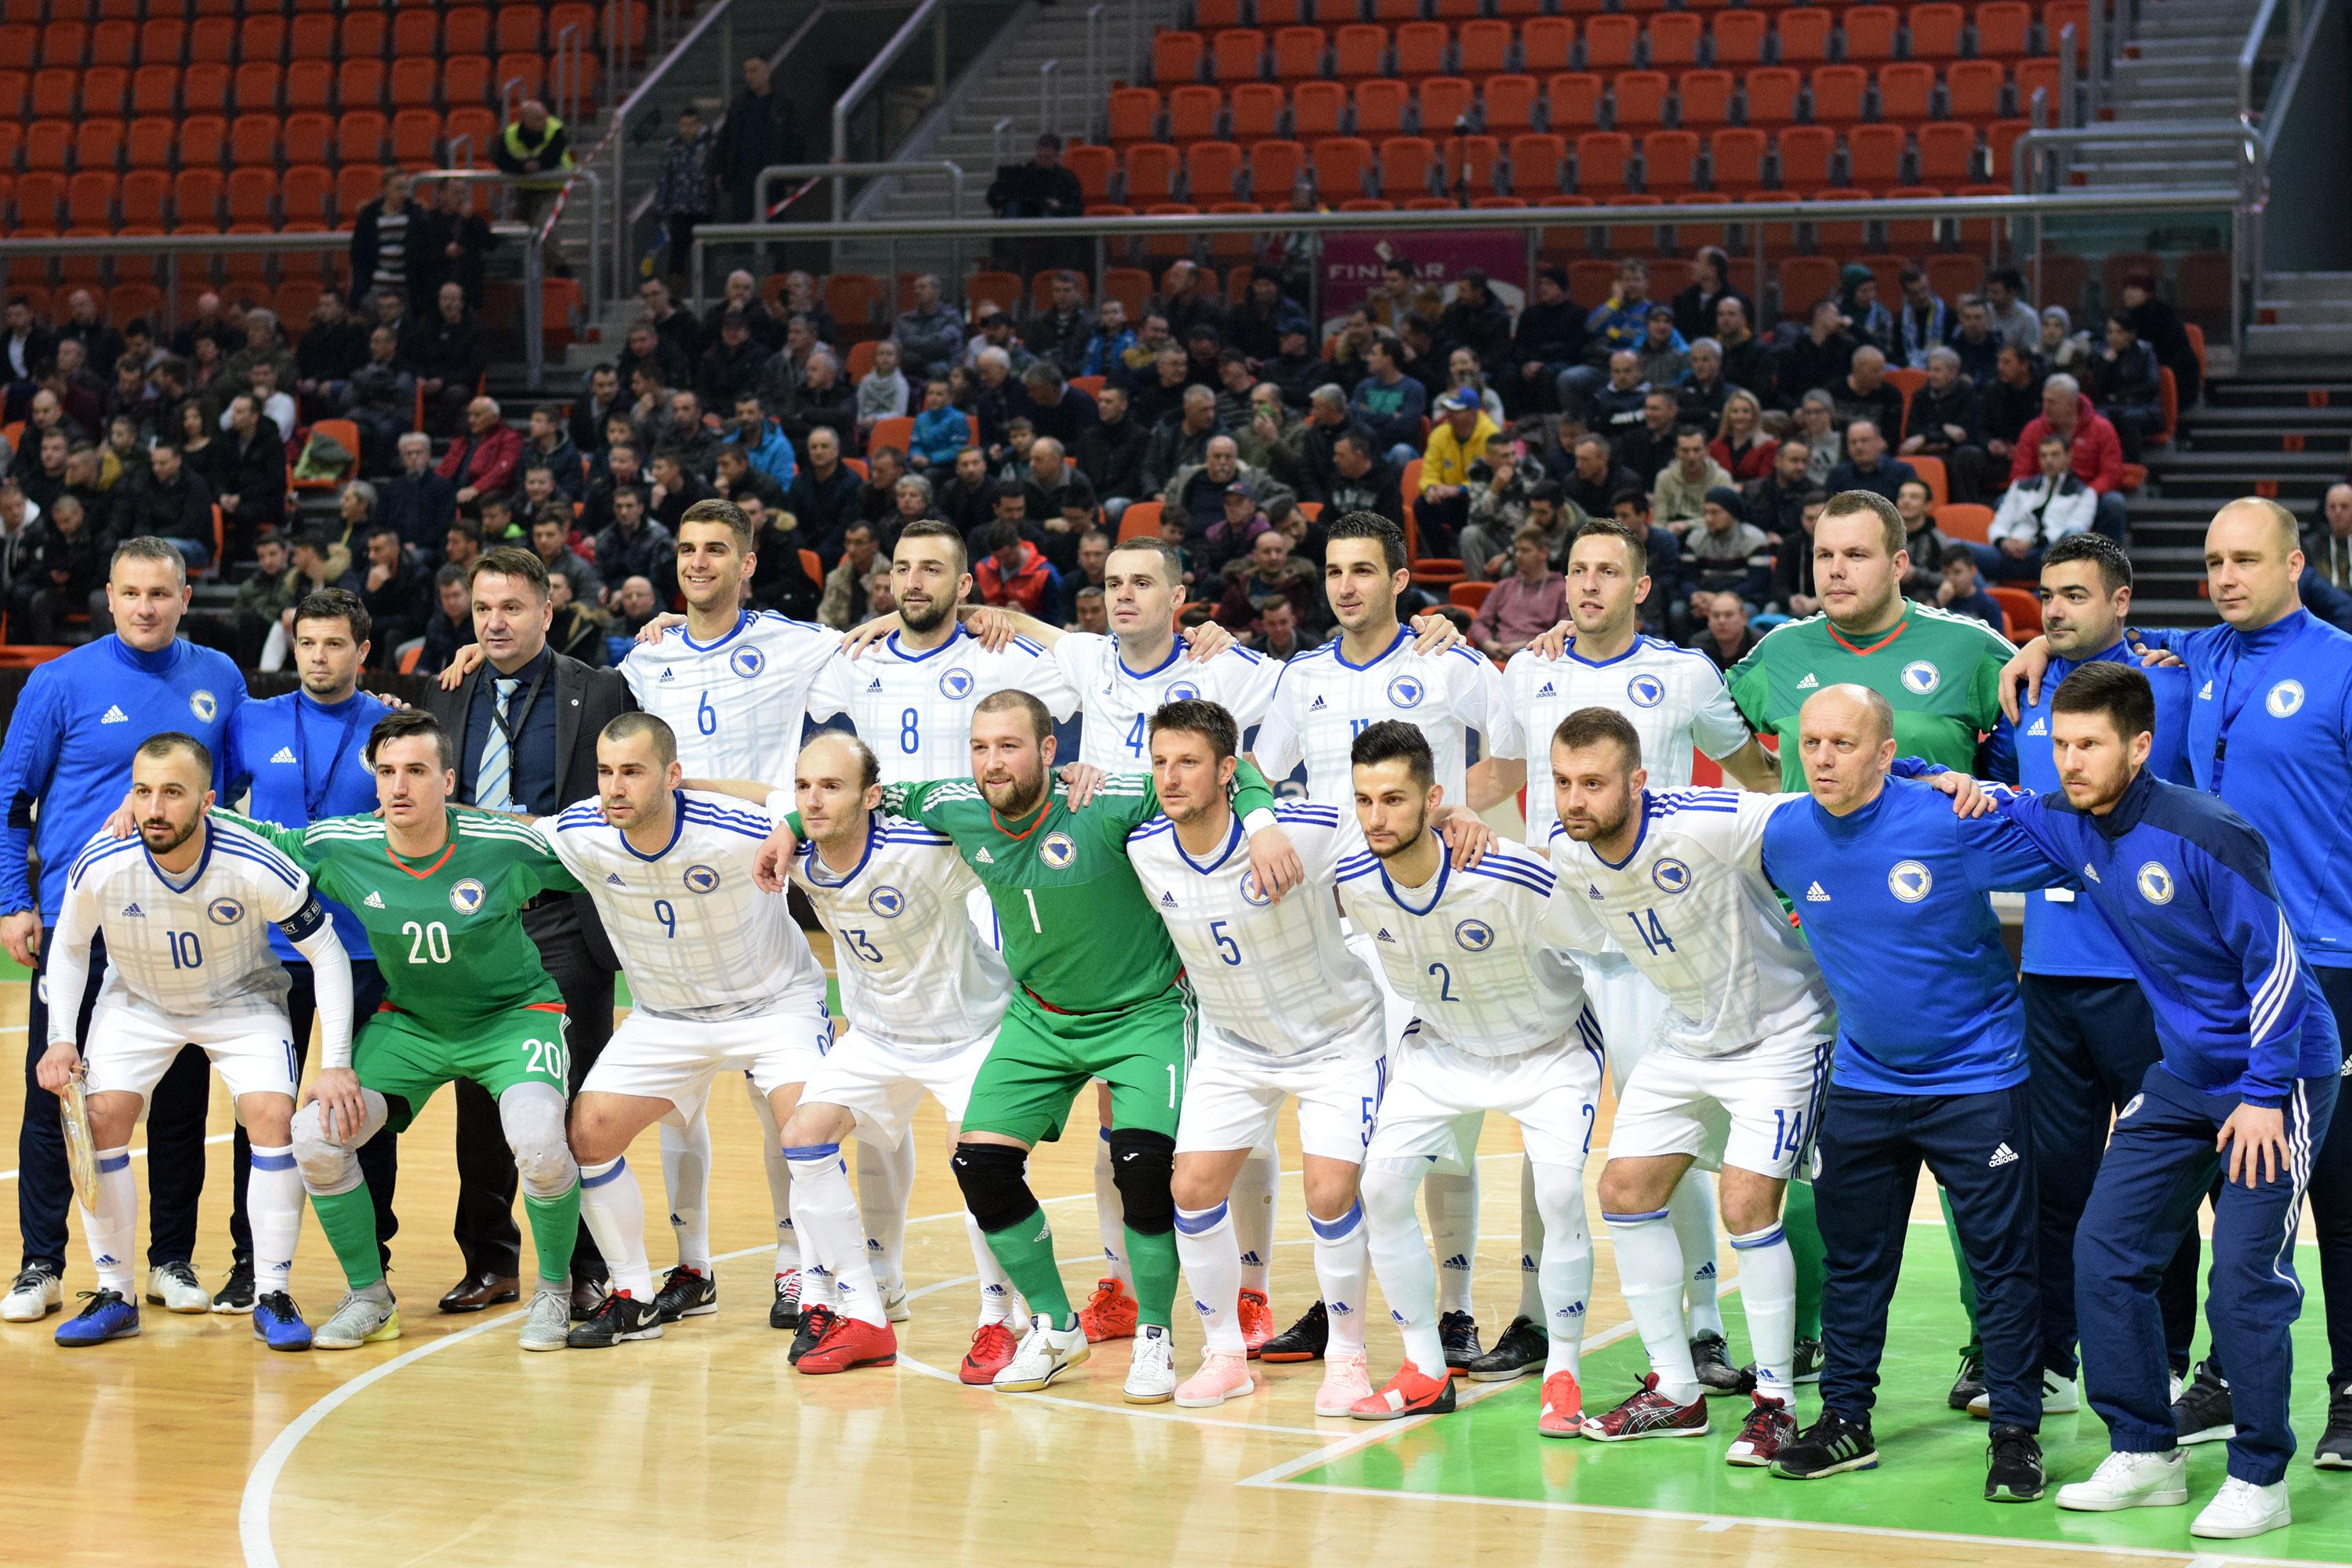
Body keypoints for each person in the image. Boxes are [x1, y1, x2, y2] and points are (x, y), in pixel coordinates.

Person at [750, 687, 1295, 1402]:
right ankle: (1053, 1323)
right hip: (1039, 1015)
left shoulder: (1103, 798)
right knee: (980, 1164)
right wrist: (790, 824)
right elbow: (861, 793)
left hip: (1145, 1015)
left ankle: (1157, 1336)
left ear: (1049, 752)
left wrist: (1261, 825)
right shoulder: (955, 805)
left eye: (1008, 746)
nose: (990, 763)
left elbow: (1229, 767)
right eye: (979, 748)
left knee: (1141, 1168)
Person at [1919, 663, 2336, 1540]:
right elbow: (2000, 803)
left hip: (2281, 1073)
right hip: (2184, 1077)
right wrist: (1940, 778)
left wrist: (2263, 1095)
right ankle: (2146, 1449)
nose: (2070, 762)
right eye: (2061, 744)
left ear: (2139, 746)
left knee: (2244, 1277)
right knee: (2104, 1249)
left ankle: (2262, 1472)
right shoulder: (2073, 822)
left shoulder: (2208, 831)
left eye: (2089, 745)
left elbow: (2280, 969)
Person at [2005, 497, 2352, 1462]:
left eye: (2246, 559)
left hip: (2329, 952)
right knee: (2224, 1179)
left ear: (2296, 564)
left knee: (2330, 1194)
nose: (2226, 576)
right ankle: (2222, 1378)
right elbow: (2106, 646)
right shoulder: (2187, 661)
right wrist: (2044, 653)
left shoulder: (2343, 660)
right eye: (2211, 562)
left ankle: (2349, 1390)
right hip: (2219, 952)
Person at [1724, 490, 2018, 1396]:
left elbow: (2032, 737)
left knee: (1978, 1165)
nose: (1837, 572)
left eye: (1857, 554)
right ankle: (1805, 1333)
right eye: (1824, 557)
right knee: (1807, 1148)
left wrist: (1982, 794)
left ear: (1900, 562)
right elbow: (1732, 744)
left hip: (1941, 942)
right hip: (1810, 937)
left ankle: (1992, 1348)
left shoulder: (1970, 647)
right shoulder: (1779, 654)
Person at [1755, 684, 2052, 1500]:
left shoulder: (1947, 821)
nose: (1822, 758)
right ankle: (1846, 1418)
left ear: (1886, 752)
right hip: (1864, 1081)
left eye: (1844, 743)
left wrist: (1978, 784)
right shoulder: (1783, 834)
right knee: (1857, 1262)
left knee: (2002, 1265)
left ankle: (2016, 1430)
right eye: (1811, 741)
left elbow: (2067, 834)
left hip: (1978, 1079)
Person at [492, 713, 829, 1353]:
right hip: (665, 1016)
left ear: (672, 777)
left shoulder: (734, 828)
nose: (614, 788)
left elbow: (800, 803)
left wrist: (785, 821)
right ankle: (635, 1293)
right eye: (606, 772)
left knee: (803, 1131)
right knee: (588, 1134)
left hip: (773, 1006)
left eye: (633, 772)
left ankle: (813, 1284)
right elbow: (514, 829)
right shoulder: (585, 830)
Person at [1962, 535, 2198, 1427]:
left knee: (2160, 1180)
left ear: (2122, 600)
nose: (2053, 610)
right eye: (2044, 596)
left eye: (2073, 595)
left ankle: (2169, 1360)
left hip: (2146, 978)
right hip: (2050, 973)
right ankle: (2054, 1361)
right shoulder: (2024, 688)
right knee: (2053, 1184)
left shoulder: (2168, 683)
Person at [1544, 709, 1822, 1458]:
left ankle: (1776, 1401)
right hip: (1688, 1035)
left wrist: (1939, 784)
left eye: (1595, 784)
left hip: (1782, 1031)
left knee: (1745, 1202)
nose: (1576, 800)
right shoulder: (1568, 856)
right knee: (1625, 1191)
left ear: (1639, 780)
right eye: (1565, 783)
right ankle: (1676, 1390)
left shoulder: (1707, 820)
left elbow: (1818, 808)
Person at [1109, 702, 1388, 1411]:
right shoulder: (1144, 847)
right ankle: (1226, 1354)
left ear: (1229, 771)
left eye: (1190, 762)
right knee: (1192, 1190)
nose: (1171, 778)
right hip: (1234, 1047)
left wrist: (1459, 822)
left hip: (1336, 1040)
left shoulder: (1306, 830)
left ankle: (1348, 1360)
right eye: (1161, 762)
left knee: (1329, 1196)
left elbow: (1397, 824)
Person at [37, 734, 353, 1352]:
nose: (155, 807)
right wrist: (58, 1039)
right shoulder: (104, 859)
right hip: (138, 1003)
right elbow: (71, 947)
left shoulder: (256, 861)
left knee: (273, 1117)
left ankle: (272, 1292)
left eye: (173, 793)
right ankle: (115, 1293)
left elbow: (328, 953)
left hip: (242, 1001)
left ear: (207, 801)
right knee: (100, 1118)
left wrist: (335, 1063)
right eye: (143, 791)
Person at [0, 538, 245, 1324]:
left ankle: (171, 1257)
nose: (146, 606)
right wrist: (15, 900)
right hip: (81, 923)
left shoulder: (220, 678)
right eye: (132, 593)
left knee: (177, 1095)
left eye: (161, 593)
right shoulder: (58, 681)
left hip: (184, 923)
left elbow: (239, 788)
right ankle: (41, 1263)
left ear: (185, 598)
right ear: (109, 597)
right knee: (57, 1091)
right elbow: (11, 799)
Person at [1334, 720, 1599, 1425]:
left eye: (1394, 799)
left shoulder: (1508, 873)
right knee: (1382, 1191)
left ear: (1435, 800)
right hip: (1446, 1048)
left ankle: (1564, 1372)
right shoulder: (1356, 882)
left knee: (1561, 1192)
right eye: (1363, 801)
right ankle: (1425, 1367)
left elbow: (1597, 942)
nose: (1376, 817)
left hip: (1548, 1049)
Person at [421, 549, 633, 1319]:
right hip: (478, 922)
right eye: (483, 608)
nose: (496, 621)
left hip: (564, 915)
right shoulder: (448, 692)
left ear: (549, 609)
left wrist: (544, 827)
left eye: (512, 606)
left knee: (570, 1095)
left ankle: (583, 1263)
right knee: (477, 1097)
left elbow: (628, 787)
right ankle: (490, 1257)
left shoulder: (601, 687)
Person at [214, 590, 401, 1308]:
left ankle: (372, 1261)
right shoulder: (253, 721)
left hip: (366, 949)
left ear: (363, 650)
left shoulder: (389, 726)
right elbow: (212, 804)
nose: (318, 657)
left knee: (365, 1107)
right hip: (271, 949)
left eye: (333, 644)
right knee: (264, 1109)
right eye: (307, 644)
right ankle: (249, 1261)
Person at [2009, 372, 2129, 545]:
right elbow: (2020, 477)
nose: (2045, 407)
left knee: (2114, 503)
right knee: (2003, 502)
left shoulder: (2102, 429)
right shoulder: (2032, 430)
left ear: (2071, 403)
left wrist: (2085, 495)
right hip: (2043, 495)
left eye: (2052, 402)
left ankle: (2111, 564)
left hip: (2088, 493)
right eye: (2045, 401)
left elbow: (2111, 474)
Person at [1976, 434, 2096, 582]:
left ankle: (2045, 596)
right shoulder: (2020, 486)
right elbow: (2000, 522)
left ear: (2068, 456)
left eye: (2055, 455)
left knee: (2072, 537)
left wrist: (2033, 542)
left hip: (2046, 556)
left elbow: (2075, 529)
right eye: (2044, 456)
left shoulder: (2085, 494)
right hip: (2009, 553)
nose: (2049, 461)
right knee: (1959, 550)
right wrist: (2004, 541)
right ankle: (1988, 599)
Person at [714, 56, 804, 222]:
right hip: (743, 180)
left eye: (754, 71)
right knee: (742, 232)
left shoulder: (783, 106)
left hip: (773, 180)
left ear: (767, 72)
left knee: (773, 227)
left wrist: (792, 178)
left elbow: (795, 143)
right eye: (746, 71)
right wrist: (721, 170)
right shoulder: (739, 105)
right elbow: (726, 139)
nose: (749, 76)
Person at [1900, 347, 1985, 502]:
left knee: (1963, 456)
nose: (1931, 375)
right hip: (1925, 449)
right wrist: (1939, 432)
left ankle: (1963, 509)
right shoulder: (1921, 395)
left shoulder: (1967, 395)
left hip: (1955, 454)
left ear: (1953, 372)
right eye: (1930, 370)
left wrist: (1925, 437)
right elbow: (1911, 431)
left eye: (1937, 370)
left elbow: (1964, 434)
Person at [1469, 526, 1566, 661]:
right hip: (1498, 655)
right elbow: (1479, 623)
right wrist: (1489, 644)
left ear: (1543, 553)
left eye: (1525, 550)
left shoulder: (1562, 590)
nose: (1518, 555)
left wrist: (1525, 646)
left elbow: (1563, 632)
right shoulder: (1504, 586)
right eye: (1517, 550)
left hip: (1539, 658)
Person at [344, 524, 432, 662]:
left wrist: (376, 623)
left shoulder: (418, 575)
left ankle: (386, 684)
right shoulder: (370, 572)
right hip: (382, 631)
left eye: (377, 550)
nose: (372, 556)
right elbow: (358, 613)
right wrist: (370, 592)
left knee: (392, 636)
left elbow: (416, 621)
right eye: (370, 550)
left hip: (411, 634)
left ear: (395, 550)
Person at [2085, 312, 2163, 463]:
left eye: (2119, 332)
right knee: (2099, 418)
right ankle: (2102, 463)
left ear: (2131, 335)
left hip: (2144, 407)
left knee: (2128, 418)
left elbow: (2151, 385)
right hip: (2111, 406)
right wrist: (2106, 365)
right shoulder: (2102, 354)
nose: (2113, 337)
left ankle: (2133, 464)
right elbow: (2096, 391)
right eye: (2110, 332)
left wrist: (2121, 395)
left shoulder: (2145, 352)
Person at [653, 107, 717, 281]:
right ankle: (676, 292)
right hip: (679, 208)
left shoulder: (709, 146)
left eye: (691, 125)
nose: (687, 129)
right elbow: (664, 177)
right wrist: (660, 205)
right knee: (677, 254)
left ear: (698, 125)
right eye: (683, 125)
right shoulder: (672, 147)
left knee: (704, 255)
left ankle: (704, 287)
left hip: (702, 208)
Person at [1348, 336, 1428, 469]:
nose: (1368, 359)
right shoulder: (1363, 386)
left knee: (1401, 451)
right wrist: (1391, 417)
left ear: (1388, 359)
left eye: (1373, 354)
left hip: (1396, 449)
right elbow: (1353, 419)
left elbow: (1406, 428)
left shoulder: (1413, 388)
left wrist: (1368, 413)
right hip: (1367, 449)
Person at [492, 99, 572, 227]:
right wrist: (523, 167)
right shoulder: (509, 135)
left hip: (553, 188)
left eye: (544, 117)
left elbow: (553, 157)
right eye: (538, 119)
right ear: (525, 119)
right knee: (524, 230)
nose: (544, 122)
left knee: (545, 227)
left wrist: (538, 165)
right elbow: (501, 160)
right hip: (525, 190)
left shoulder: (555, 129)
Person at [347, 170, 418, 310]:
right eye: (398, 188)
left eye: (405, 188)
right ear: (385, 189)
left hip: (406, 287)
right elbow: (359, 253)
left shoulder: (416, 214)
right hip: (376, 287)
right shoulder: (369, 215)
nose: (403, 193)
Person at [1653, 425, 1736, 528]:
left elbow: (1726, 518)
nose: (1691, 456)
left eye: (1696, 450)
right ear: (1676, 452)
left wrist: (1688, 525)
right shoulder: (1664, 478)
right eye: (1685, 450)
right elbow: (1659, 521)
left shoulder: (1721, 478)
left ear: (1706, 450)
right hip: (1674, 535)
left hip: (1710, 534)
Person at [1824, 419, 1918, 505]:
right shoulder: (1837, 475)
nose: (1859, 447)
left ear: (1881, 442)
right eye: (1853, 442)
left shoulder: (1903, 472)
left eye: (1864, 441)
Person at [894, 275, 966, 384]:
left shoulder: (952, 317)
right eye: (916, 288)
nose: (917, 291)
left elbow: (941, 343)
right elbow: (894, 346)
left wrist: (909, 343)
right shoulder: (905, 320)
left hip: (942, 373)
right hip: (910, 370)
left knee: (938, 368)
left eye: (922, 287)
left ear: (937, 291)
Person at [1936, 550, 2005, 632]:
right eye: (1946, 573)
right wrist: (1939, 604)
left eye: (1957, 572)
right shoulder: (1939, 598)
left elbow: (1997, 642)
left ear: (1973, 571)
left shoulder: (1988, 605)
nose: (1951, 578)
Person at [1689, 593, 1761, 670]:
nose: (1721, 621)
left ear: (1744, 618)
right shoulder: (1698, 647)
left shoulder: (1760, 646)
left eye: (1729, 615)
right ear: (1709, 620)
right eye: (1716, 615)